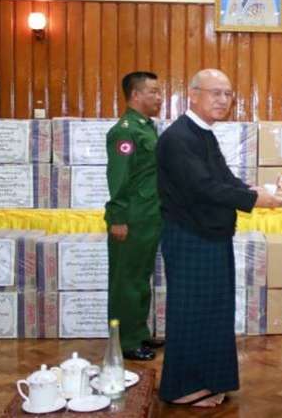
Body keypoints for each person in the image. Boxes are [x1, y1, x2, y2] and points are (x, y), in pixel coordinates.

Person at [156, 69, 282, 408]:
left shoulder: (203, 134)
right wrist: (253, 199)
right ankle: (181, 387)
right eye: (215, 93)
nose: (223, 100)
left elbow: (223, 178)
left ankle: (208, 380)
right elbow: (203, 188)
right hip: (191, 237)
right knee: (190, 312)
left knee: (213, 311)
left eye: (227, 94)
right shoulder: (179, 138)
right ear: (193, 94)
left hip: (210, 236)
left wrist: (251, 189)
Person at [105, 71, 164, 361]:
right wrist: (117, 217)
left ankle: (139, 333)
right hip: (130, 218)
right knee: (126, 282)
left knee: (140, 278)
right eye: (153, 92)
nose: (159, 97)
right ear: (136, 95)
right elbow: (118, 177)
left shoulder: (146, 127)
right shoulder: (125, 131)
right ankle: (126, 342)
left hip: (148, 215)